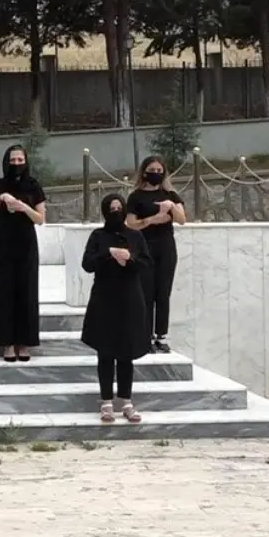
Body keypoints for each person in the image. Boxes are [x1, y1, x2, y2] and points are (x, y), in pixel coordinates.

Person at [81, 194, 152, 424]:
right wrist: (109, 254)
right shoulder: (98, 236)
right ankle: (106, 401)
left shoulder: (135, 235)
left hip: (129, 299)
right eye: (111, 208)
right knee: (105, 351)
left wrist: (129, 258)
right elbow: (87, 264)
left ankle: (126, 400)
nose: (115, 211)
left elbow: (146, 264)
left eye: (119, 207)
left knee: (126, 352)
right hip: (104, 298)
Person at [0, 145, 47, 362]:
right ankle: (7, 343)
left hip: (26, 243)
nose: (16, 163)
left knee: (27, 290)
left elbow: (40, 218)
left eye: (20, 159)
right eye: (13, 160)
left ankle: (24, 343)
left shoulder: (33, 185)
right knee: (4, 290)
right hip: (4, 243)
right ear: (6, 161)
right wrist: (2, 199)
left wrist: (22, 207)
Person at [125, 155, 186, 353]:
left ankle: (162, 335)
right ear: (144, 172)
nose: (156, 174)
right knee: (146, 292)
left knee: (163, 292)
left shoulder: (170, 194)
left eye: (160, 171)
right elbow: (130, 223)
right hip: (144, 247)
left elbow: (182, 219)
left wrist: (171, 208)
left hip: (166, 246)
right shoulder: (135, 196)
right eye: (152, 170)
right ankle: (146, 335)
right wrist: (152, 219)